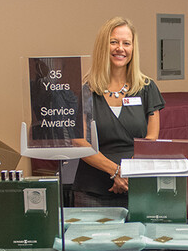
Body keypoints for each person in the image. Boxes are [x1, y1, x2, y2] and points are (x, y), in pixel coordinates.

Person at [71, 16, 165, 207]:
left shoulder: (147, 88)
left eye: (126, 43)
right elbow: (79, 141)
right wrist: (116, 171)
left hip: (137, 188)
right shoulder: (86, 90)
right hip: (92, 192)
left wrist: (128, 173)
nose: (120, 48)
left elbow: (151, 138)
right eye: (113, 42)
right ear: (102, 47)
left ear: (133, 49)